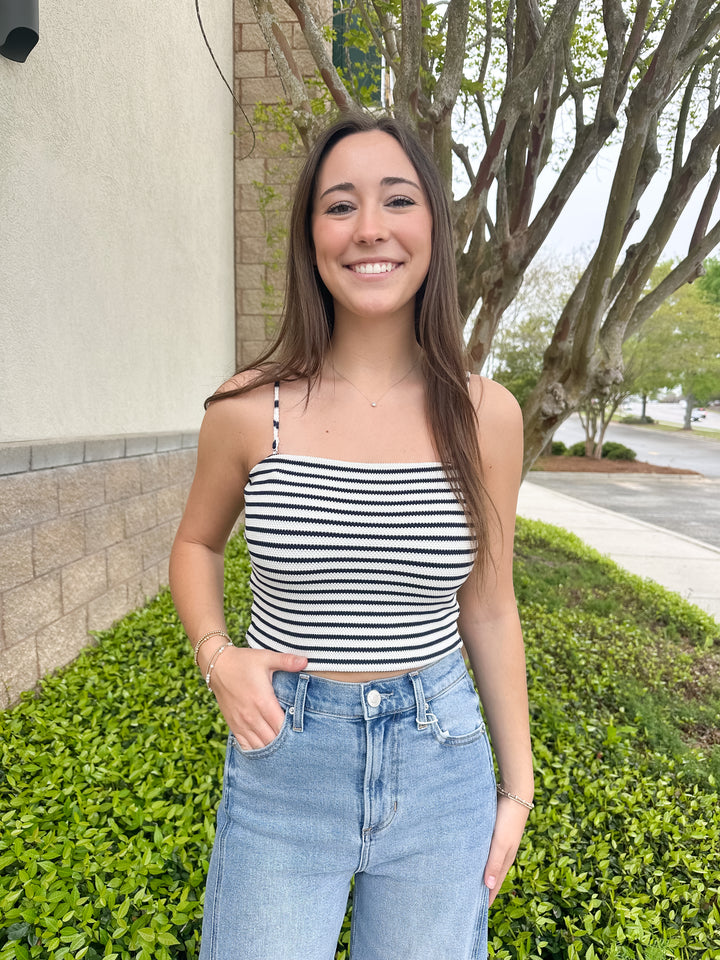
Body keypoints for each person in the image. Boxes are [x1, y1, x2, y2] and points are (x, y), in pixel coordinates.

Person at [169, 113, 533, 960]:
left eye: (396, 199)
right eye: (341, 206)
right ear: (311, 237)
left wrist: (515, 788)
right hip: (283, 763)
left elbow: (489, 605)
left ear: (433, 228)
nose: (370, 227)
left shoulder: (487, 417)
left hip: (440, 758)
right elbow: (196, 546)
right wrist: (217, 656)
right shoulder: (248, 408)